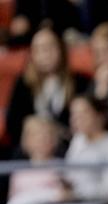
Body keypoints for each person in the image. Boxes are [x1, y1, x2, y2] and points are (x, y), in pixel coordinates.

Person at [4, 26, 87, 158]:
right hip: (30, 151)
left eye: (50, 47)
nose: (45, 54)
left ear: (61, 50)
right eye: (40, 49)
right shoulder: (23, 83)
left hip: (67, 147)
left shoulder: (80, 82)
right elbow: (13, 123)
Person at [65, 95, 108, 201]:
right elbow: (68, 174)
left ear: (100, 115)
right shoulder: (77, 140)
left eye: (83, 113)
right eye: (73, 114)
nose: (76, 119)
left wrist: (76, 193)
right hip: (74, 202)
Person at [6, 116, 69, 204]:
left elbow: (67, 196)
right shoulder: (19, 171)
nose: (41, 140)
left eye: (46, 135)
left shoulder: (63, 167)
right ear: (27, 140)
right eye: (36, 136)